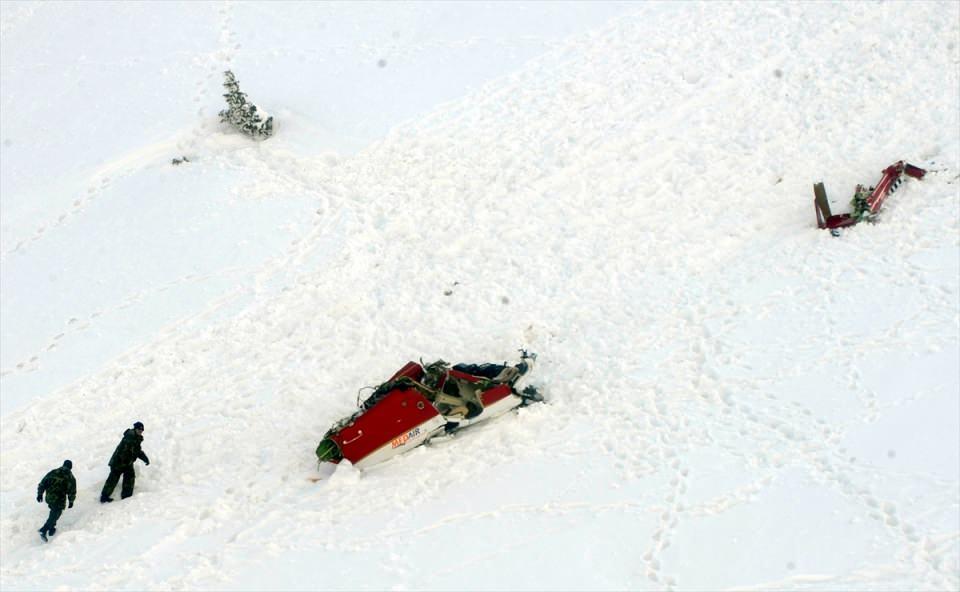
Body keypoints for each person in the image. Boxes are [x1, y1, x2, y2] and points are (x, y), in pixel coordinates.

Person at [100, 421, 150, 503]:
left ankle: (126, 497)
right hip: (118, 462)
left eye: (142, 430)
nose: (140, 431)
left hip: (127, 463)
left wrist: (145, 459)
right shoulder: (130, 437)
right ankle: (104, 496)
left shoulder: (136, 438)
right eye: (139, 430)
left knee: (129, 478)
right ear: (135, 429)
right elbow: (124, 451)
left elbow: (137, 451)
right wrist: (125, 462)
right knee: (113, 479)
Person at [37, 459, 77, 542]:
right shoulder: (70, 477)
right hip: (59, 500)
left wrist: (40, 494)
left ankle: (51, 528)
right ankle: (44, 530)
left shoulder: (53, 472)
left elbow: (43, 483)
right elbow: (72, 491)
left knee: (53, 512)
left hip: (49, 497)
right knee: (56, 514)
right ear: (70, 467)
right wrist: (71, 501)